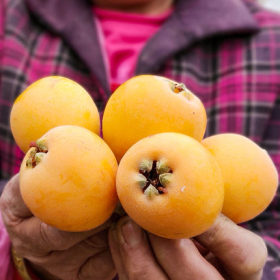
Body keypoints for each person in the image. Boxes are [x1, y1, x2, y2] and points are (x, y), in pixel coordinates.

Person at [0, 0, 279, 279]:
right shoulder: (7, 19)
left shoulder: (272, 44)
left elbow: (274, 228)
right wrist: (17, 257)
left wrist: (258, 274)